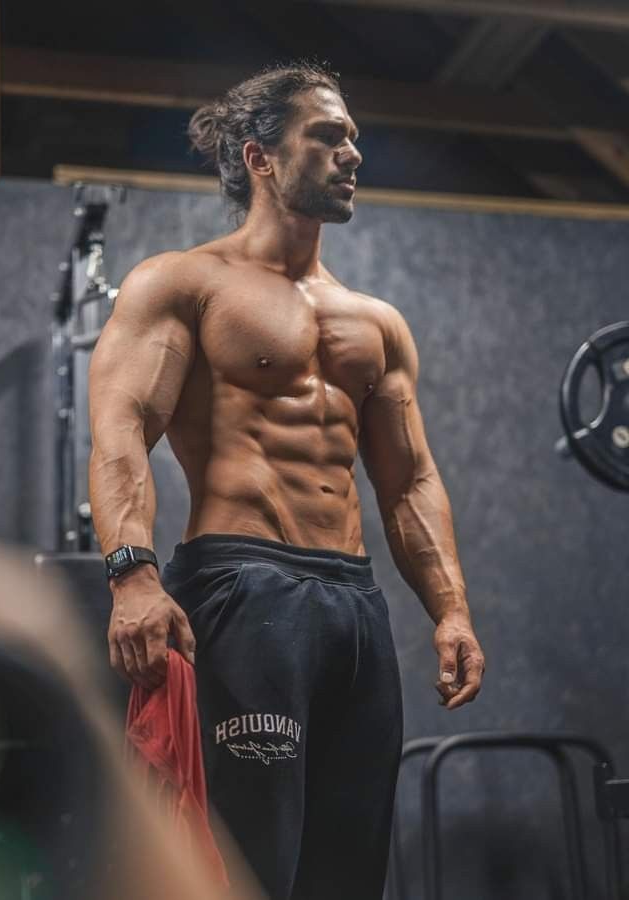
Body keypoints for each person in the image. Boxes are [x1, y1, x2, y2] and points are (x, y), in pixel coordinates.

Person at [88, 62, 485, 900]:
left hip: (355, 607)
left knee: (349, 867)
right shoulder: (183, 284)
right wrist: (133, 575)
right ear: (260, 156)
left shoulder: (376, 323)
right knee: (248, 864)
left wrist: (449, 608)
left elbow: (409, 481)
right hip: (242, 588)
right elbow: (121, 431)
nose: (353, 154)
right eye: (329, 136)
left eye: (353, 138)